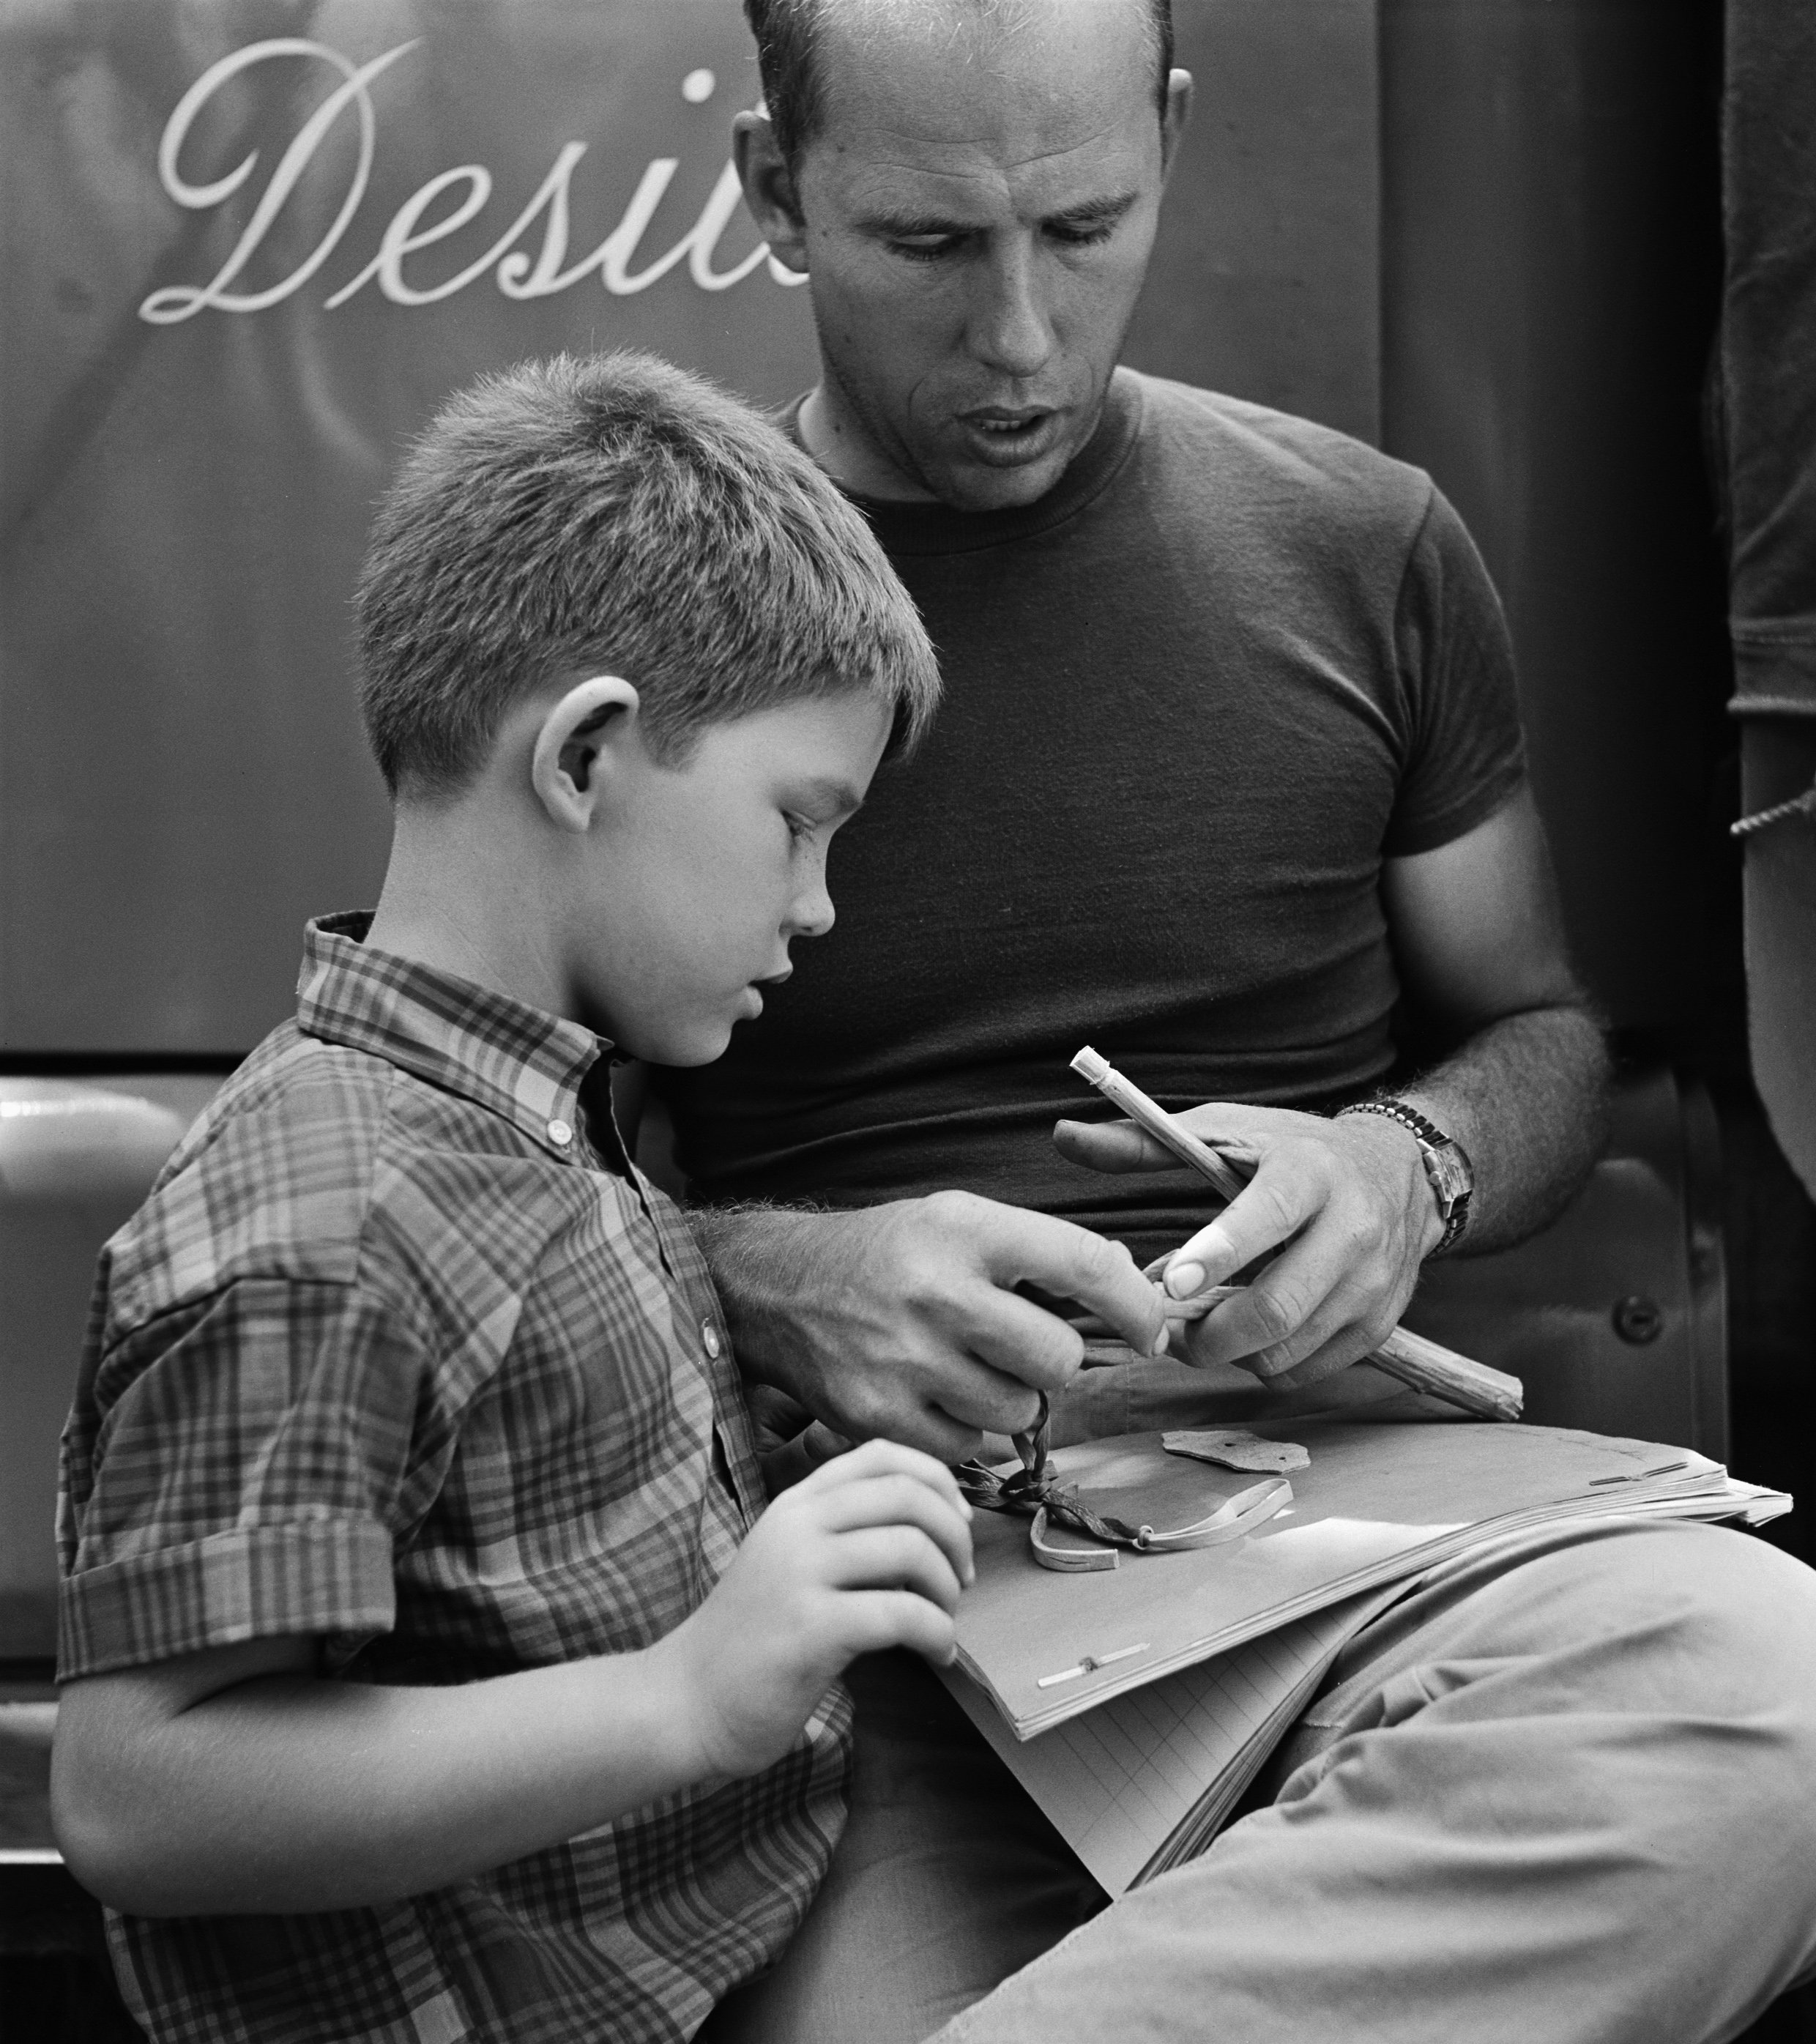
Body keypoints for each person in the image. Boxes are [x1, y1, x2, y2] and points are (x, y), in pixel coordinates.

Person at [666, 4, 1816, 2040]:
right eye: (926, 246)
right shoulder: (637, 607)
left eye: (1081, 226)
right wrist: (773, 1274)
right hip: (868, 1598)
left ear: (1169, 137)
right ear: (768, 191)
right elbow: (454, 1171)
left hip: (1332, 1548)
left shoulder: (1359, 549)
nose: (1016, 338)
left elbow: (1539, 1040)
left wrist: (1396, 1168)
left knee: (1798, 1713)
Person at [48, 352, 1164, 2044]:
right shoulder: (323, 1214)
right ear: (586, 757)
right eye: (801, 825)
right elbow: (144, 1794)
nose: (820, 909)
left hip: (748, 1914)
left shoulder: (542, 1102)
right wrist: (687, 1694)